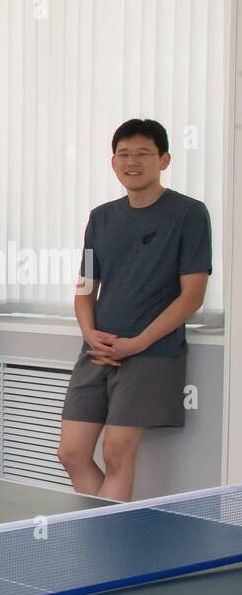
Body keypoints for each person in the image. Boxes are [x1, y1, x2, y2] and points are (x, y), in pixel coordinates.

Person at [56, 119, 211, 500]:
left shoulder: (189, 213)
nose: (132, 161)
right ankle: (106, 536)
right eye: (124, 154)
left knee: (116, 452)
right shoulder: (101, 216)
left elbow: (192, 297)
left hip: (151, 353)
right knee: (72, 453)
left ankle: (110, 550)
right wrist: (88, 333)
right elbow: (84, 289)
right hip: (98, 350)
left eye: (143, 153)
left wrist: (138, 342)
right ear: (113, 163)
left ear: (165, 159)